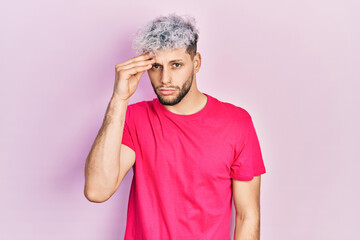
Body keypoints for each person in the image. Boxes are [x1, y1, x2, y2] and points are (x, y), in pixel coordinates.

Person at [84, 13, 266, 240]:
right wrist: (119, 100)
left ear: (196, 62)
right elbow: (97, 190)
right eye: (156, 66)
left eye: (176, 65)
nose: (165, 78)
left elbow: (247, 216)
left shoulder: (237, 123)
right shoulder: (133, 118)